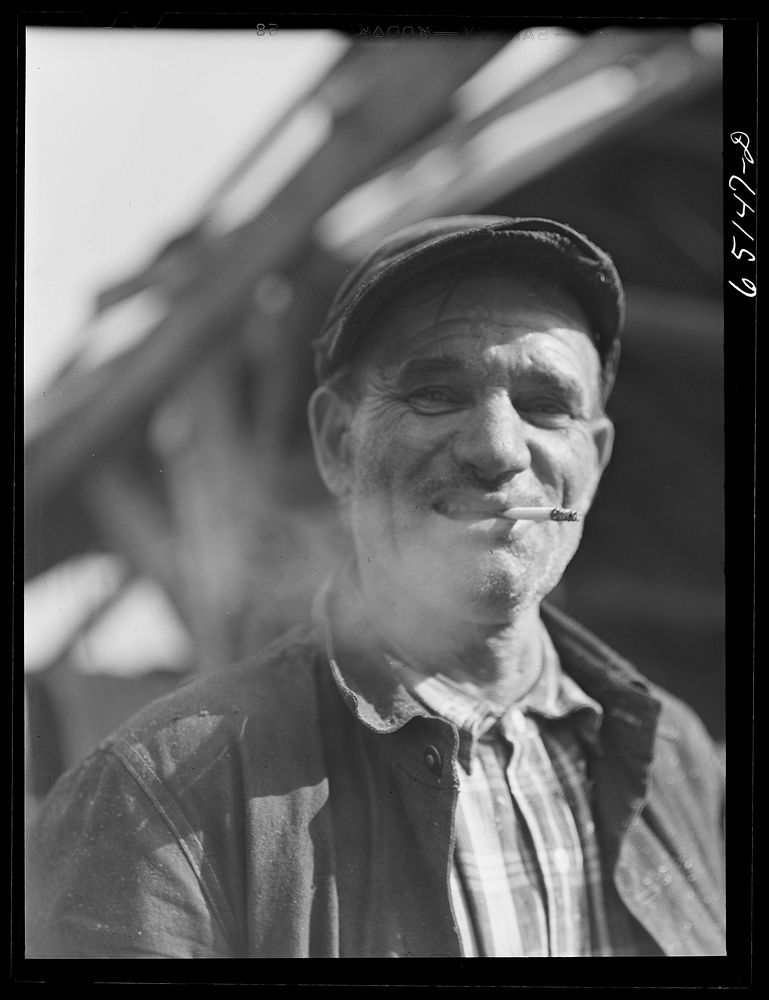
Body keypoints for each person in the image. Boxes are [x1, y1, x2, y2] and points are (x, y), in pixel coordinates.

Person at [26, 216, 725, 958]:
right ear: (336, 445)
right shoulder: (152, 799)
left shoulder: (674, 757)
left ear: (596, 456)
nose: (496, 449)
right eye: (433, 393)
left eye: (545, 403)